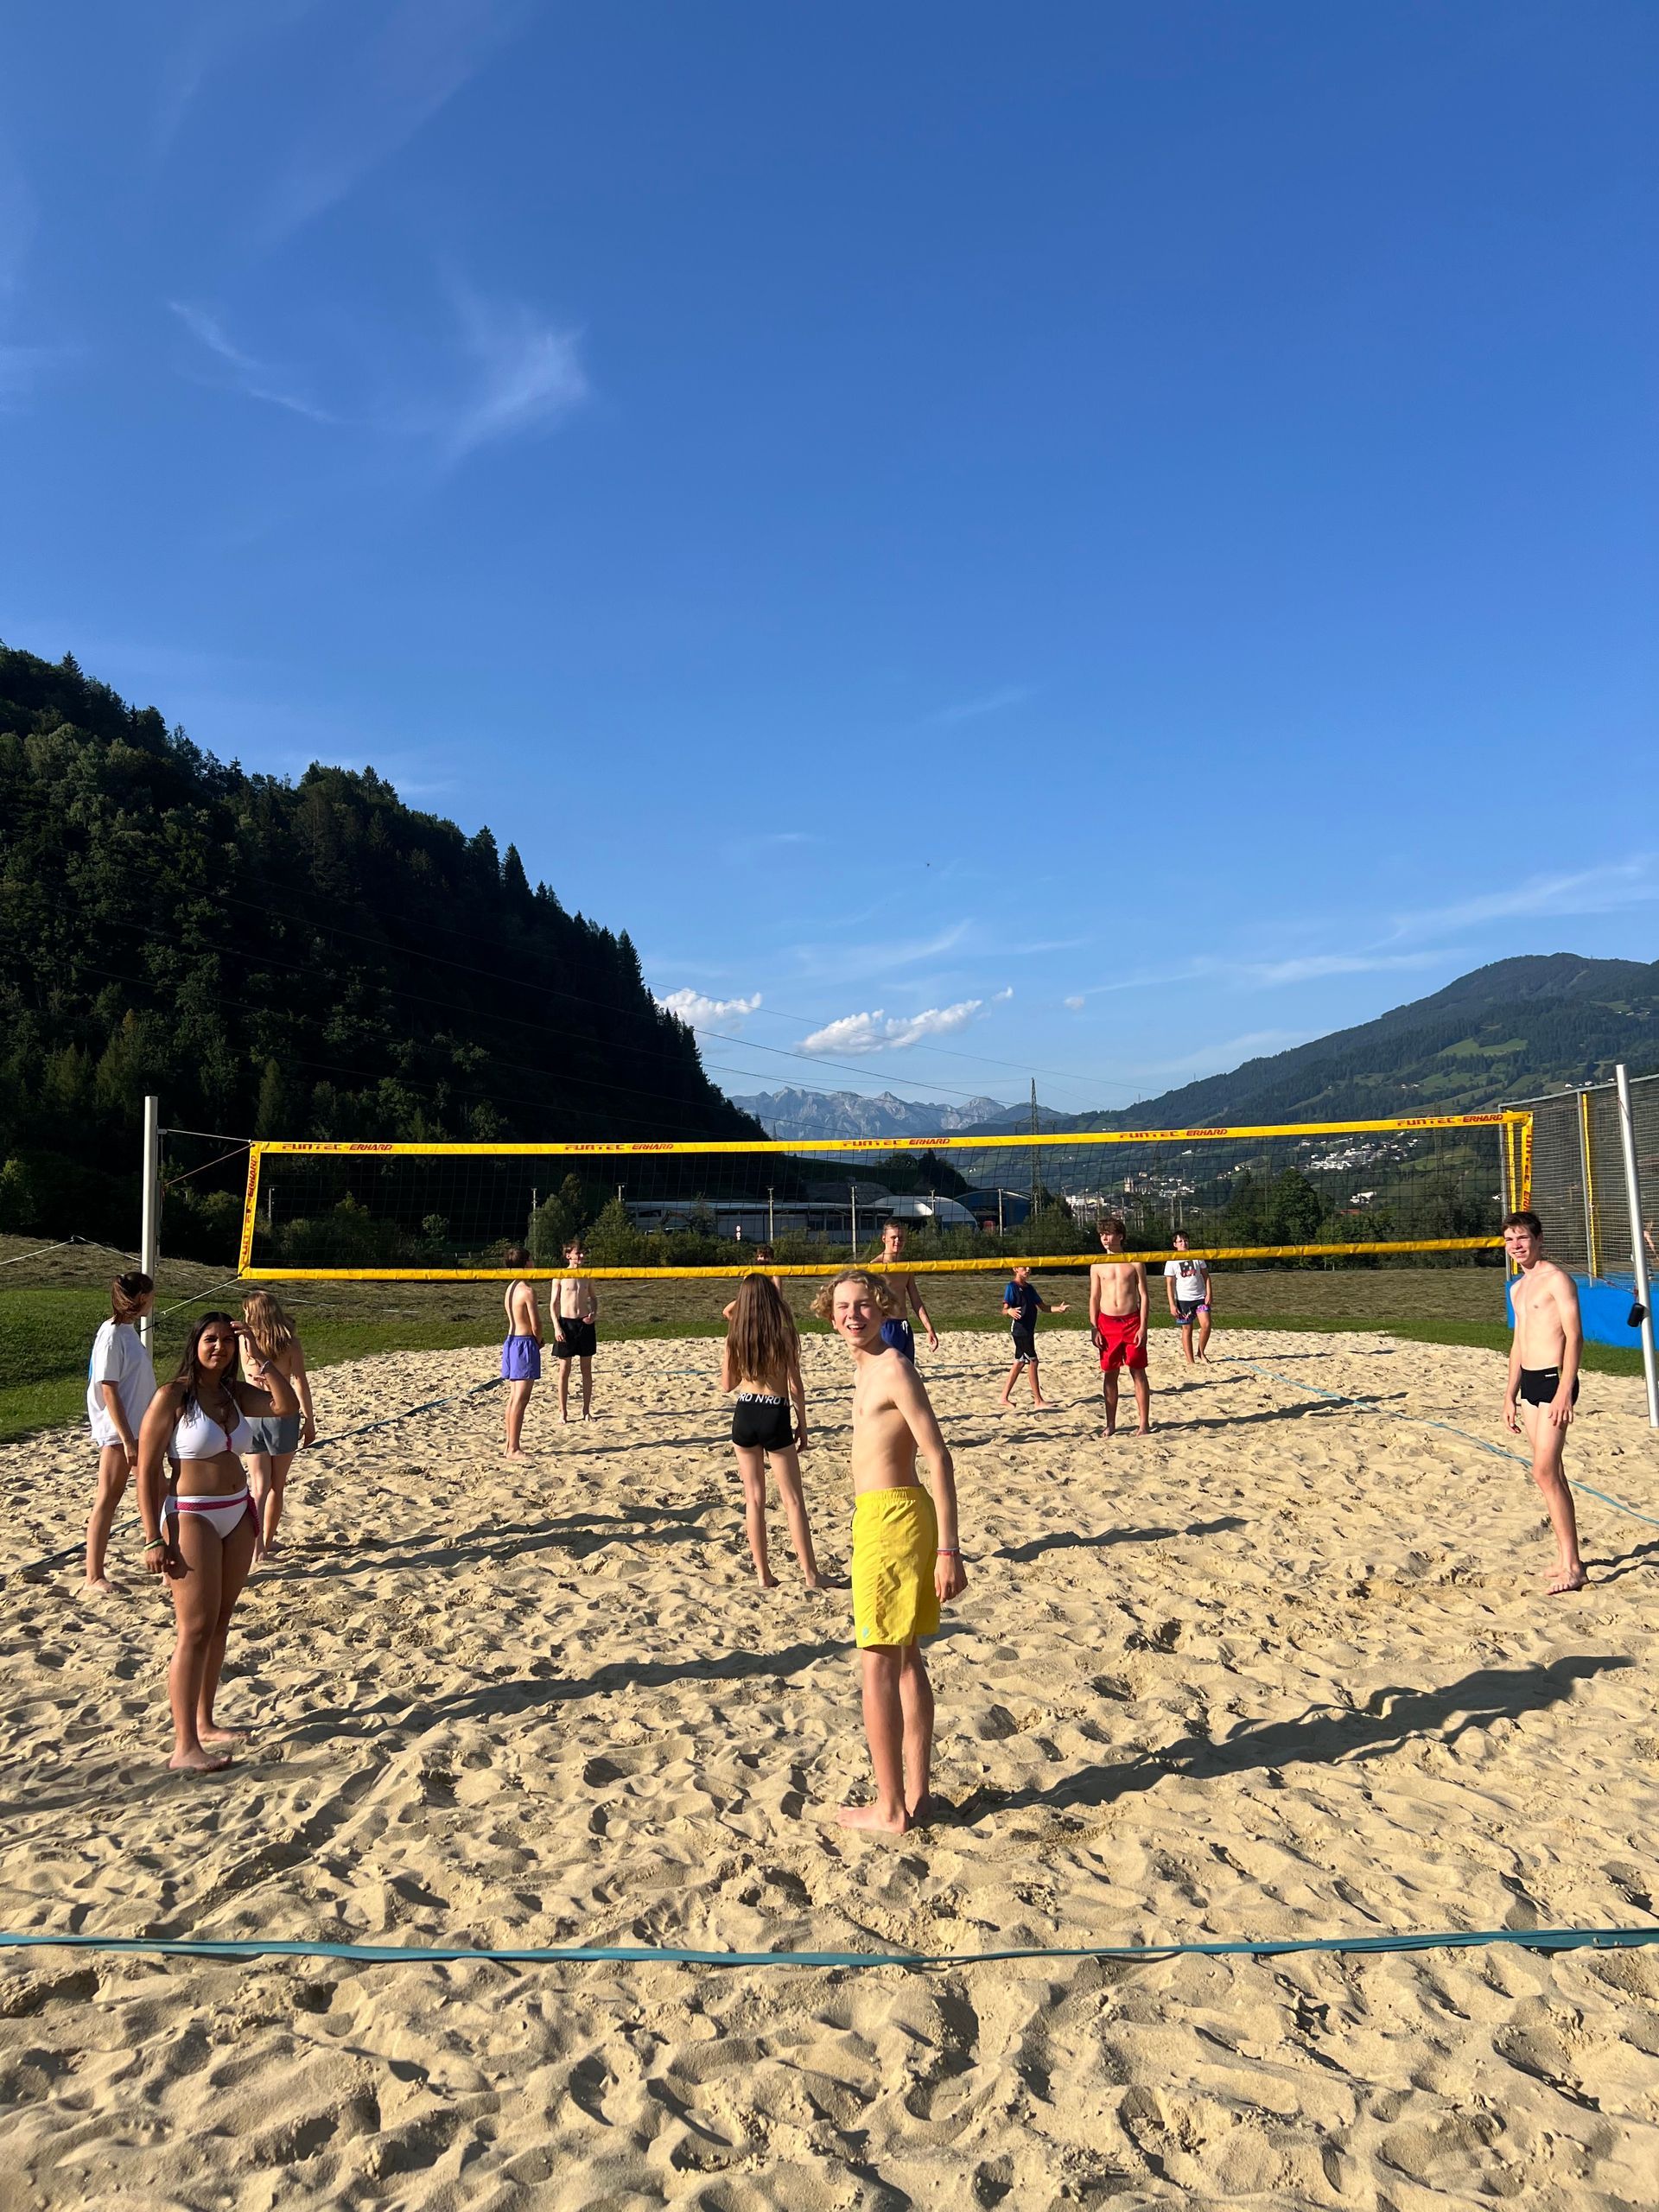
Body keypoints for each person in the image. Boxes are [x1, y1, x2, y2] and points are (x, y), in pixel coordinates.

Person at [811, 1267, 967, 1833]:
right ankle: (918, 1798)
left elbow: (939, 1456)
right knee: (904, 1661)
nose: (853, 1314)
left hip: (895, 1518)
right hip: (884, 1516)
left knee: (876, 1664)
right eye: (843, 1307)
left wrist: (950, 1549)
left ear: (883, 1308)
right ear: (830, 1316)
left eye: (863, 1305)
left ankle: (891, 1808)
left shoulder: (895, 1367)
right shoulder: (867, 1368)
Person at [136, 1312, 301, 1770]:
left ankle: (205, 1722)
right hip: (192, 1515)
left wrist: (260, 1358)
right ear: (196, 1343)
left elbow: (285, 1408)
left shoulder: (233, 1393)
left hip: (237, 1513)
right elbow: (147, 1471)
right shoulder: (174, 1396)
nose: (220, 1347)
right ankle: (183, 1745)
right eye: (212, 1339)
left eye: (228, 1341)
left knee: (221, 1622)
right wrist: (152, 1538)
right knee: (194, 1628)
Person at [1502, 1209, 1588, 1595]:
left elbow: (1575, 1336)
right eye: (1509, 1240)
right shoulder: (1518, 1287)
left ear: (1538, 1240)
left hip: (1555, 1380)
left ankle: (1573, 1565)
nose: (1516, 1246)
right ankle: (1567, 1559)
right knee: (1552, 1473)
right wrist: (1509, 1394)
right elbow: (1518, 1342)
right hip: (1530, 1384)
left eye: (1522, 1238)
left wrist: (1564, 1390)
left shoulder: (1557, 1279)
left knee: (1543, 1472)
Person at [721, 1273, 823, 1591]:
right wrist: (803, 1424)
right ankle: (811, 1574)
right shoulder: (784, 1334)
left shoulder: (736, 1336)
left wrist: (733, 1328)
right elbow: (796, 1387)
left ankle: (763, 1575)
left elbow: (727, 1386)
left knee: (754, 1500)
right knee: (793, 1500)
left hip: (745, 1409)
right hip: (774, 1410)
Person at [84, 1270, 156, 1596]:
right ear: (141, 1297)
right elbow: (108, 1389)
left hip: (140, 1429)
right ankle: (93, 1576)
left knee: (159, 1493)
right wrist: (126, 1437)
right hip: (120, 1432)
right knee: (108, 1499)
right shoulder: (112, 1335)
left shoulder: (127, 1332)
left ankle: (166, 1562)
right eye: (151, 1296)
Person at [241, 1291, 315, 1552]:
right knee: (276, 1486)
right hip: (281, 1414)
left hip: (252, 1412)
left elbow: (246, 1375)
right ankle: (266, 1543)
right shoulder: (289, 1343)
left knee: (258, 1486)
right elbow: (299, 1382)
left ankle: (255, 1546)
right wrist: (309, 1419)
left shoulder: (245, 1343)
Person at [1089, 1217, 1151, 1435]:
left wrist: (1143, 1327)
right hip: (1107, 1324)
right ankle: (1111, 1423)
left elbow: (1144, 1296)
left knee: (1138, 1372)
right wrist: (1094, 1327)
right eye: (1101, 1234)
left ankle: (1143, 1424)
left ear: (1121, 1236)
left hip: (1132, 1322)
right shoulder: (1097, 1264)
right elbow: (1094, 1297)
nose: (1104, 1237)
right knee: (1110, 1373)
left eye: (1109, 1233)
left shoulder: (1135, 1262)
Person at [1000, 1264, 1068, 1408]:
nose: (1028, 1269)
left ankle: (1003, 1397)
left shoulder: (1030, 1288)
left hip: (1029, 1330)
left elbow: (1043, 1307)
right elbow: (1004, 1310)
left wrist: (1058, 1309)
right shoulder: (1011, 1286)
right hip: (1020, 1331)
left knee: (1019, 1363)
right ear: (1015, 1269)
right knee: (1033, 1361)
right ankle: (1038, 1400)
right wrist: (1009, 1311)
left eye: (1029, 1267)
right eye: (1024, 1267)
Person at [874, 1217, 939, 1361]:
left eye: (901, 1237)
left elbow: (916, 1301)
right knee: (891, 1373)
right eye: (894, 1237)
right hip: (886, 1327)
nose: (898, 1241)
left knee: (908, 1371)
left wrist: (929, 1328)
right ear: (884, 1238)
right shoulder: (875, 1267)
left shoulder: (906, 1266)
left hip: (904, 1326)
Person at [499, 1247, 543, 1455]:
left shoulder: (510, 1288)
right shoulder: (527, 1291)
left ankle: (509, 1445)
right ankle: (514, 1448)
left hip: (511, 1340)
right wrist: (540, 1340)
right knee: (521, 1398)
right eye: (531, 1259)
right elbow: (536, 1325)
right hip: (524, 1342)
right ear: (526, 1264)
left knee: (514, 1397)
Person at [554, 1236, 599, 1420]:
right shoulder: (560, 1276)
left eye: (582, 1253)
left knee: (586, 1370)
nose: (580, 1256)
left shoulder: (587, 1275)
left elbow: (594, 1299)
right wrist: (557, 1327)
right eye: (577, 1253)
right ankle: (563, 1411)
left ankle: (586, 1410)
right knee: (564, 1371)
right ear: (568, 1255)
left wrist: (594, 1313)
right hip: (566, 1324)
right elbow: (552, 1304)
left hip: (585, 1323)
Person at [1163, 1233, 1214, 1364]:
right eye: (1180, 1241)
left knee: (1206, 1325)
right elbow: (1169, 1284)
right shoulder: (1172, 1261)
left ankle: (1201, 1352)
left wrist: (1209, 1293)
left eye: (1185, 1241)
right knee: (1187, 1329)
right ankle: (1190, 1361)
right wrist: (1172, 1304)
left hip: (1200, 1297)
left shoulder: (1197, 1256)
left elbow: (1206, 1276)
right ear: (1175, 1245)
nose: (1183, 1244)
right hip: (1183, 1300)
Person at [722, 1242, 782, 1321]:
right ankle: (740, 1328)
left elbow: (778, 1297)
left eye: (765, 1257)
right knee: (727, 1311)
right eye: (760, 1256)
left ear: (771, 1258)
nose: (762, 1259)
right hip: (750, 1301)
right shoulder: (750, 1272)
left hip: (767, 1304)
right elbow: (744, 1293)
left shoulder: (775, 1274)